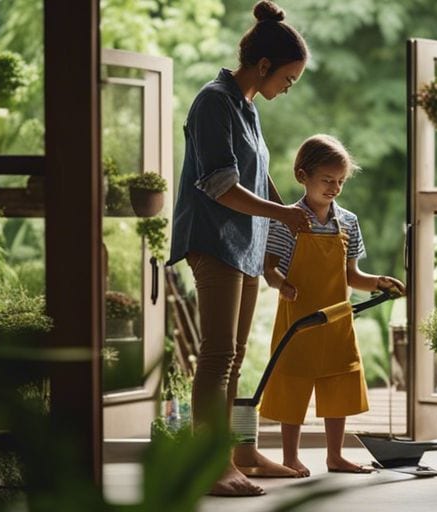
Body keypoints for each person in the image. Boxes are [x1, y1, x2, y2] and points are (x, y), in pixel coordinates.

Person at [167, 0, 312, 497]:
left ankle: (236, 455)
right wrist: (281, 215)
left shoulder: (245, 106)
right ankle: (208, 465)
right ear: (264, 65)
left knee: (233, 356)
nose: (289, 88)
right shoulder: (213, 101)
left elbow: (255, 173)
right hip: (213, 240)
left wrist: (288, 209)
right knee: (217, 355)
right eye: (288, 78)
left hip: (244, 243)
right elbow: (220, 184)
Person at [259, 134, 406, 477]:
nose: (335, 188)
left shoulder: (349, 222)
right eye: (327, 180)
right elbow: (268, 268)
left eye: (340, 181)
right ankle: (290, 457)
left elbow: (352, 276)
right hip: (299, 321)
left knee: (338, 385)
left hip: (337, 319)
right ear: (302, 176)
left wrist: (380, 282)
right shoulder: (288, 221)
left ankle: (335, 455)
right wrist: (284, 286)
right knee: (293, 386)